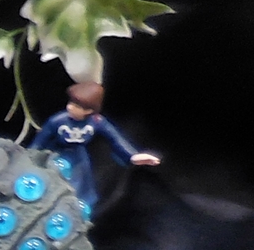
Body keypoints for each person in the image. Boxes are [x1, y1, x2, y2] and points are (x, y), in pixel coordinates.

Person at [28, 81, 159, 215]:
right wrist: (30, 157)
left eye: (77, 105)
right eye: (71, 102)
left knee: (78, 192)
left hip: (78, 160)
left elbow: (114, 138)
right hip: (55, 153)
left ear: (89, 110)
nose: (70, 107)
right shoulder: (57, 121)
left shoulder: (96, 122)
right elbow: (39, 141)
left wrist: (132, 156)